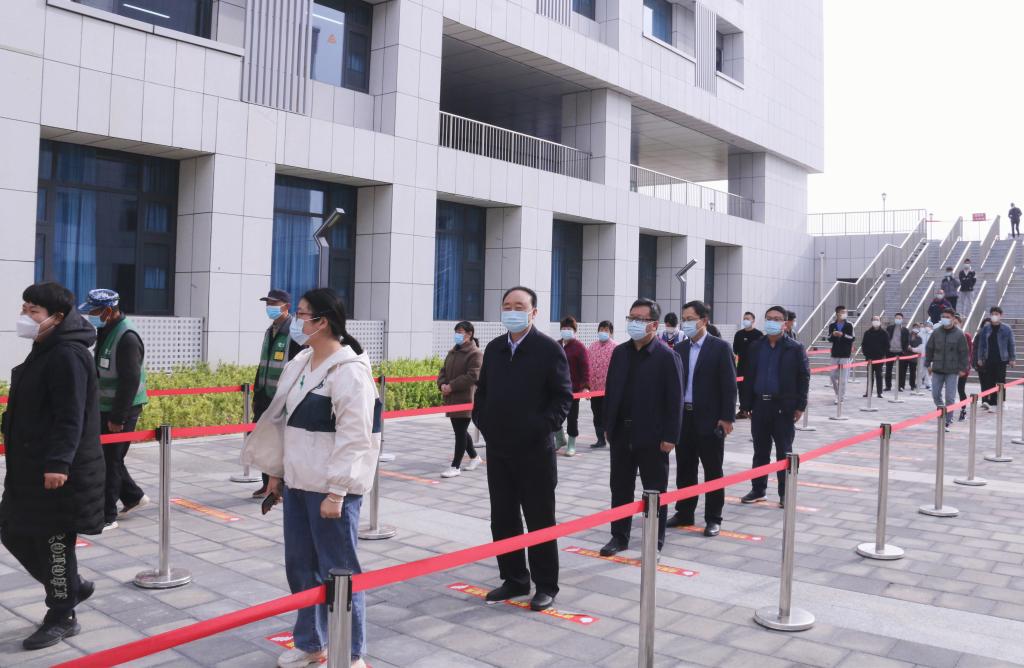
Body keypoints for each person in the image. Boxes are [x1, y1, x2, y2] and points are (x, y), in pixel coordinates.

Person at [242, 288, 378, 668]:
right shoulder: (301, 361)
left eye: (302, 315)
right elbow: (282, 423)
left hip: (330, 490)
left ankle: (350, 652)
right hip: (298, 484)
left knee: (340, 572)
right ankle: (311, 643)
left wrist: (337, 492)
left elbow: (355, 437)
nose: (296, 322)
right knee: (301, 568)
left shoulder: (349, 371)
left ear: (323, 321)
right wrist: (276, 473)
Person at [1, 283, 104, 650]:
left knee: (55, 543)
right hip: (30, 465)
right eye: (25, 308)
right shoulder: (46, 347)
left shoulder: (68, 354)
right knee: (12, 529)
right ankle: (72, 587)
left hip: (58, 472)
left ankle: (62, 615)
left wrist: (59, 463)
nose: (25, 316)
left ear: (56, 317)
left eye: (33, 311)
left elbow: (70, 415)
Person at [472, 286, 572, 612]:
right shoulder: (495, 348)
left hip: (534, 452)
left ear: (533, 312)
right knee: (503, 518)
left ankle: (546, 585)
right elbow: (482, 393)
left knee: (540, 518)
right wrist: (483, 420)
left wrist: (539, 427)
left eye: (519, 306)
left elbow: (563, 398)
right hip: (499, 450)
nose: (512, 312)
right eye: (507, 306)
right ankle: (514, 578)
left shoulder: (548, 349)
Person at [599, 298, 682, 556]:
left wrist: (671, 436)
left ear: (654, 325)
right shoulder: (620, 353)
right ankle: (619, 536)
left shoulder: (667, 357)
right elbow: (611, 391)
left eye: (640, 319)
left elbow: (675, 400)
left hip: (653, 436)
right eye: (631, 318)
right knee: (620, 487)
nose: (633, 323)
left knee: (654, 490)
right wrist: (608, 425)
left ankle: (654, 542)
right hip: (621, 433)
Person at [80, 289, 149, 531]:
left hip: (122, 410)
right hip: (105, 407)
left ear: (108, 311)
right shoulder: (107, 329)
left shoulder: (127, 337)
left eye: (94, 311)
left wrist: (118, 418)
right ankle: (133, 496)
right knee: (108, 457)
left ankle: (107, 515)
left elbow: (130, 381)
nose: (91, 315)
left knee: (110, 462)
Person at [666, 301, 736, 537]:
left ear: (704, 320)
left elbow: (729, 386)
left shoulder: (720, 348)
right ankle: (684, 511)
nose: (686, 323)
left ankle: (713, 517)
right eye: (684, 319)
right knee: (685, 468)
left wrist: (727, 418)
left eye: (690, 319)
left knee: (712, 469)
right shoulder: (680, 348)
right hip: (684, 417)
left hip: (710, 419)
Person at [739, 306, 810, 505]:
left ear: (785, 324)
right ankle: (758, 489)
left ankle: (785, 493)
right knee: (760, 451)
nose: (772, 322)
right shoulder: (756, 346)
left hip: (783, 407)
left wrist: (800, 406)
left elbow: (804, 377)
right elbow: (748, 376)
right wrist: (746, 404)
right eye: (769, 318)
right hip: (759, 405)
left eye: (777, 319)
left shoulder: (795, 348)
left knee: (783, 452)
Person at [251, 289, 304, 498]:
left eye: (273, 304)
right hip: (265, 394)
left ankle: (281, 486)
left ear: (286, 307)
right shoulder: (269, 331)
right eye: (267, 304)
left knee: (281, 441)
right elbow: (263, 363)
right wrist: (256, 392)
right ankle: (267, 484)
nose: (269, 308)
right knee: (265, 440)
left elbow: (298, 365)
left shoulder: (295, 332)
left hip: (282, 396)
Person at [437, 321, 483, 478]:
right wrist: (442, 384)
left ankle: (455, 466)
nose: (457, 335)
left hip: (465, 399)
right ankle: (475, 457)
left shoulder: (475, 353)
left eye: (460, 332)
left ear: (469, 334)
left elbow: (473, 376)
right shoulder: (453, 351)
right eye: (456, 332)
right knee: (460, 430)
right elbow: (443, 371)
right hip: (451, 398)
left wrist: (452, 386)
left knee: (460, 432)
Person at [925, 307, 969, 430]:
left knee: (950, 397)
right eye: (943, 317)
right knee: (935, 394)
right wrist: (928, 364)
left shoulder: (959, 334)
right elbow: (929, 348)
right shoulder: (936, 332)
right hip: (937, 368)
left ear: (953, 318)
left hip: (952, 370)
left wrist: (962, 368)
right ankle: (942, 410)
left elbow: (964, 353)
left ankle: (947, 420)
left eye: (948, 317)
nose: (945, 319)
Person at [555, 316, 590, 457]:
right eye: (563, 328)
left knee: (572, 417)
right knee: (553, 414)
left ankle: (571, 443)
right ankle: (559, 438)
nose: (566, 330)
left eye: (569, 328)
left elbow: (585, 368)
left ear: (574, 330)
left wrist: (585, 386)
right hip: (556, 388)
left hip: (573, 389)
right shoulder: (556, 345)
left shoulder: (579, 347)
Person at [976, 306, 1017, 409]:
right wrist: (980, 358)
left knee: (1000, 381)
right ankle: (991, 402)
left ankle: (1002, 401)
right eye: (992, 314)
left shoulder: (1006, 329)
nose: (994, 316)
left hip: (1001, 359)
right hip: (988, 358)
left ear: (1001, 315)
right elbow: (981, 344)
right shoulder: (986, 329)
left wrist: (1012, 358)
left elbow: (1011, 344)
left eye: (996, 314)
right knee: (989, 381)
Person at [586, 320, 616, 448]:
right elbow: (587, 365)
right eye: (601, 330)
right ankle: (600, 439)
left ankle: (612, 438)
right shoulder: (592, 346)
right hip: (594, 388)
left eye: (606, 330)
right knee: (596, 413)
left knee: (608, 414)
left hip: (609, 389)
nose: (603, 332)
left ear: (611, 332)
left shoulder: (615, 347)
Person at [733, 312, 763, 419]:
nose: (745, 320)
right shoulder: (739, 334)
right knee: (741, 387)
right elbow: (735, 351)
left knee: (753, 388)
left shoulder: (758, 334)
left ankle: (754, 409)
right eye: (744, 318)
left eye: (748, 318)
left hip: (755, 369)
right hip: (741, 368)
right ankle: (743, 410)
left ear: (753, 320)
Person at [828, 306, 855, 403]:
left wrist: (842, 335)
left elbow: (852, 338)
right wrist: (833, 334)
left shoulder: (849, 325)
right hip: (835, 354)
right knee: (832, 376)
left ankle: (840, 397)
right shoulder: (832, 325)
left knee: (843, 378)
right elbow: (829, 338)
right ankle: (837, 393)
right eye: (843, 312)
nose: (845, 314)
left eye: (845, 312)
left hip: (845, 354)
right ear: (837, 314)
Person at [861, 315, 888, 398]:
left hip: (879, 358)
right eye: (874, 319)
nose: (875, 321)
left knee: (879, 375)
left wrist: (883, 354)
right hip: (869, 357)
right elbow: (864, 344)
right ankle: (868, 392)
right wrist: (866, 353)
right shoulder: (867, 332)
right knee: (870, 375)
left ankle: (879, 392)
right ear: (871, 321)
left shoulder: (884, 333)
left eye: (877, 319)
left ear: (880, 321)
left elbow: (887, 345)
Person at [953, 314, 974, 422]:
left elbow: (969, 353)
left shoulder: (966, 336)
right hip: (950, 367)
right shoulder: (948, 335)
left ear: (960, 323)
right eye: (953, 323)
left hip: (962, 367)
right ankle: (948, 413)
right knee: (950, 390)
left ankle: (963, 410)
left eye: (956, 323)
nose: (954, 325)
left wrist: (965, 367)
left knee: (961, 389)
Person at [884, 312, 911, 392]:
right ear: (894, 319)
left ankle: (901, 386)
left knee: (901, 370)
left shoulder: (905, 330)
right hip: (890, 351)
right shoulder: (889, 328)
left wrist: (904, 351)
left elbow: (907, 342)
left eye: (899, 318)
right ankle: (888, 386)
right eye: (897, 318)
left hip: (901, 352)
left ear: (902, 319)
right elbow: (886, 339)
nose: (898, 319)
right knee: (888, 369)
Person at [917, 322, 933, 389]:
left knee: (929, 369)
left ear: (931, 326)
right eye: (926, 325)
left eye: (928, 325)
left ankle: (928, 383)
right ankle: (919, 383)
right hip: (922, 354)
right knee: (921, 369)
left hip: (931, 354)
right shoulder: (920, 333)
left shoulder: (933, 333)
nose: (927, 327)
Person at [907, 325, 922, 392]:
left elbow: (919, 348)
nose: (916, 329)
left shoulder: (919, 338)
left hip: (914, 357)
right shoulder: (908, 336)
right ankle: (901, 385)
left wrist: (912, 349)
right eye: (915, 327)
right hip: (906, 355)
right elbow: (905, 343)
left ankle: (912, 385)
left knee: (913, 371)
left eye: (917, 328)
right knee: (903, 371)